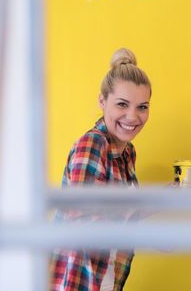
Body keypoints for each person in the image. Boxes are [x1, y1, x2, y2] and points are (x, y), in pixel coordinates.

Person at [50, 48, 151, 291]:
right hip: (76, 281)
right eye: (122, 104)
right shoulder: (93, 144)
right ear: (102, 101)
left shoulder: (127, 152)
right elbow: (83, 217)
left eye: (142, 107)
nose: (133, 116)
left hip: (105, 278)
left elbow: (122, 212)